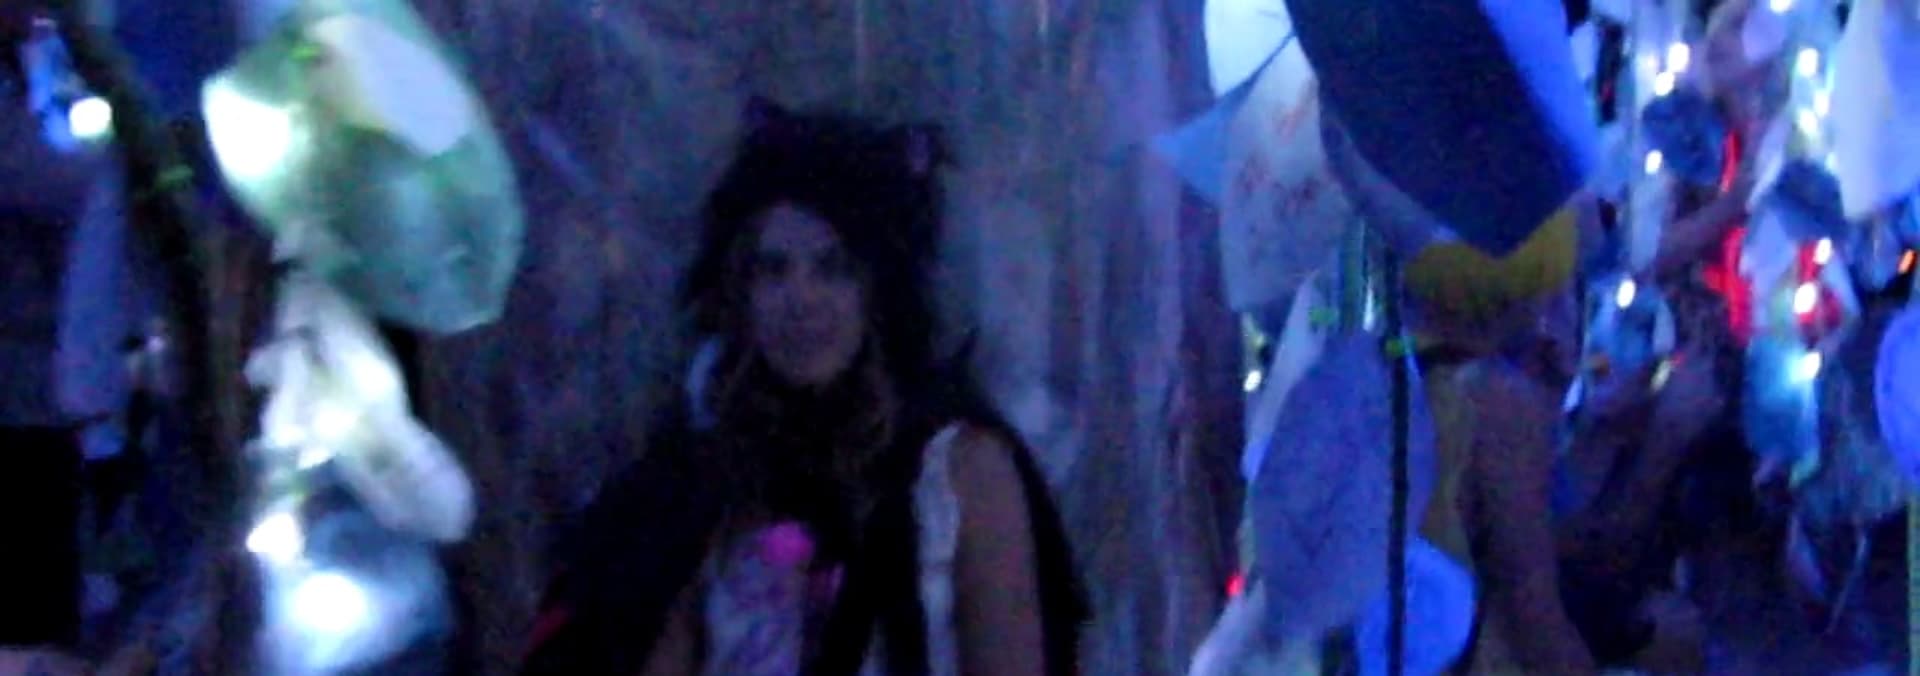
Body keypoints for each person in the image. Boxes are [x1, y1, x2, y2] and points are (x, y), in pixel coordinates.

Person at [520, 97, 1087, 676]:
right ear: (741, 291)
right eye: (773, 270)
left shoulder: (961, 469)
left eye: (833, 269)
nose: (801, 300)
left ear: (878, 289)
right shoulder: (703, 475)